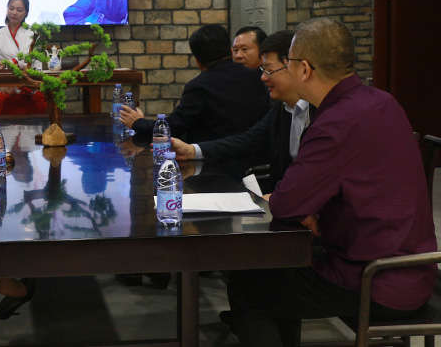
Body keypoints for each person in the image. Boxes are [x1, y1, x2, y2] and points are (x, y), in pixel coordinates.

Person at [227, 18, 437, 347]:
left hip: (376, 279)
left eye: (288, 63)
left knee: (249, 288)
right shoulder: (384, 101)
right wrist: (315, 211)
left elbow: (286, 204)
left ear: (304, 69)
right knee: (272, 275)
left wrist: (306, 208)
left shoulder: (334, 124)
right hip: (417, 267)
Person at [170, 30, 314, 190]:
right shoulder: (281, 109)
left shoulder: (320, 111)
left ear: (296, 68)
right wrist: (192, 150)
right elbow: (246, 141)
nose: (263, 77)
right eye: (263, 70)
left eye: (269, 70)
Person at [120, 24, 269, 143]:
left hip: (214, 163)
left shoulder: (199, 86)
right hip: (257, 158)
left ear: (198, 62)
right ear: (230, 52)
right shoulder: (258, 77)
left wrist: (138, 122)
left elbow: (173, 127)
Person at [0, 0, 45, 114]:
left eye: (19, 10)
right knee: (2, 98)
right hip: (4, 84)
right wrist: (1, 85)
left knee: (37, 98)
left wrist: (25, 82)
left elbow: (36, 65)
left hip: (28, 84)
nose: (14, 13)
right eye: (11, 8)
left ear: (26, 13)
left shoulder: (33, 34)